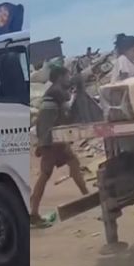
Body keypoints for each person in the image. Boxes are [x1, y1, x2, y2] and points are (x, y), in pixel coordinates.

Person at [30, 66, 89, 228]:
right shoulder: (57, 91)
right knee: (45, 174)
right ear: (59, 77)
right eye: (67, 76)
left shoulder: (53, 91)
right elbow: (69, 114)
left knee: (73, 163)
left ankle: (87, 195)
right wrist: (78, 87)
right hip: (51, 139)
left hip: (53, 138)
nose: (68, 78)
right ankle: (33, 212)